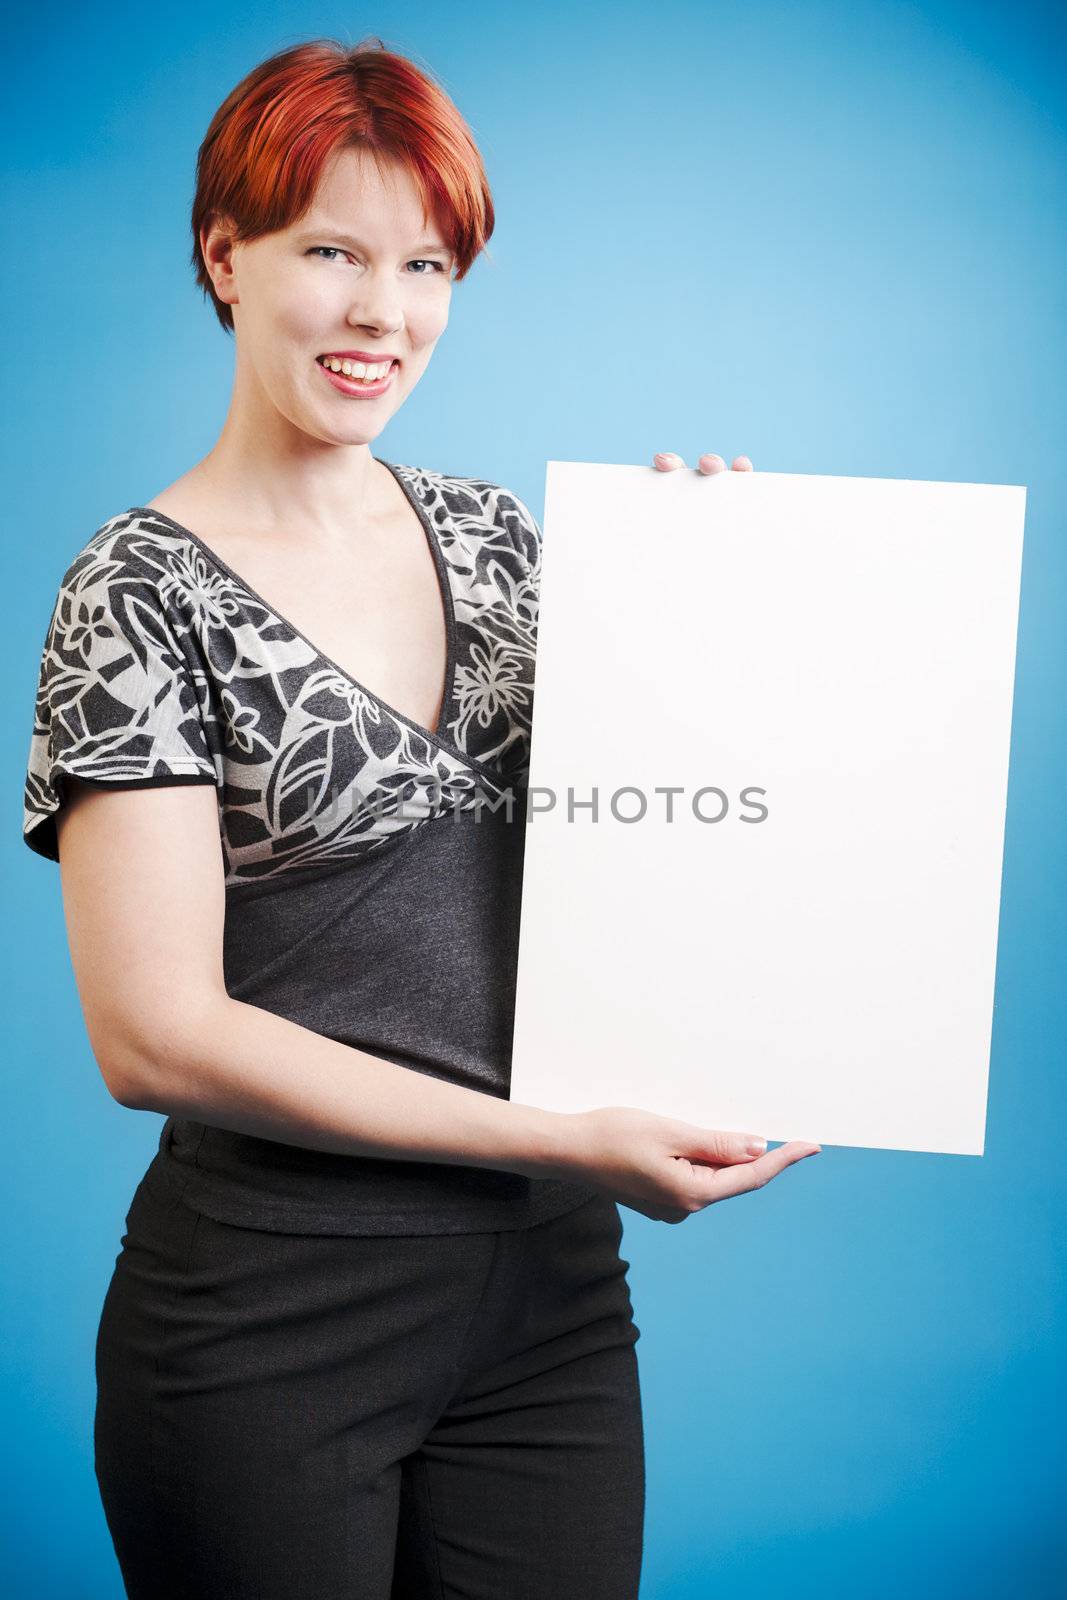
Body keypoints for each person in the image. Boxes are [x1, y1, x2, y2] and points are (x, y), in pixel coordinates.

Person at [21, 36, 821, 1600]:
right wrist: (558, 1137)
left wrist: (723, 593)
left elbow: (669, 847)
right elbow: (153, 1038)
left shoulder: (500, 537)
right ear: (226, 256)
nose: (383, 312)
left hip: (552, 1296)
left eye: (427, 264)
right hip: (270, 1316)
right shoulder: (133, 591)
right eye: (332, 251)